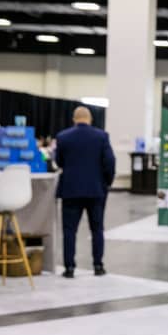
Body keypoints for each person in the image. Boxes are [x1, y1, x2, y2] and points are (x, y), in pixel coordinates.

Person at [55, 107, 116, 278]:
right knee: (97, 229)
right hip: (96, 190)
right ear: (90, 119)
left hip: (70, 190)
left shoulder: (62, 137)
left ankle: (69, 268)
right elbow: (110, 162)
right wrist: (107, 183)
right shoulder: (102, 136)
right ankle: (98, 266)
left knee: (69, 230)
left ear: (74, 119)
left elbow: (59, 161)